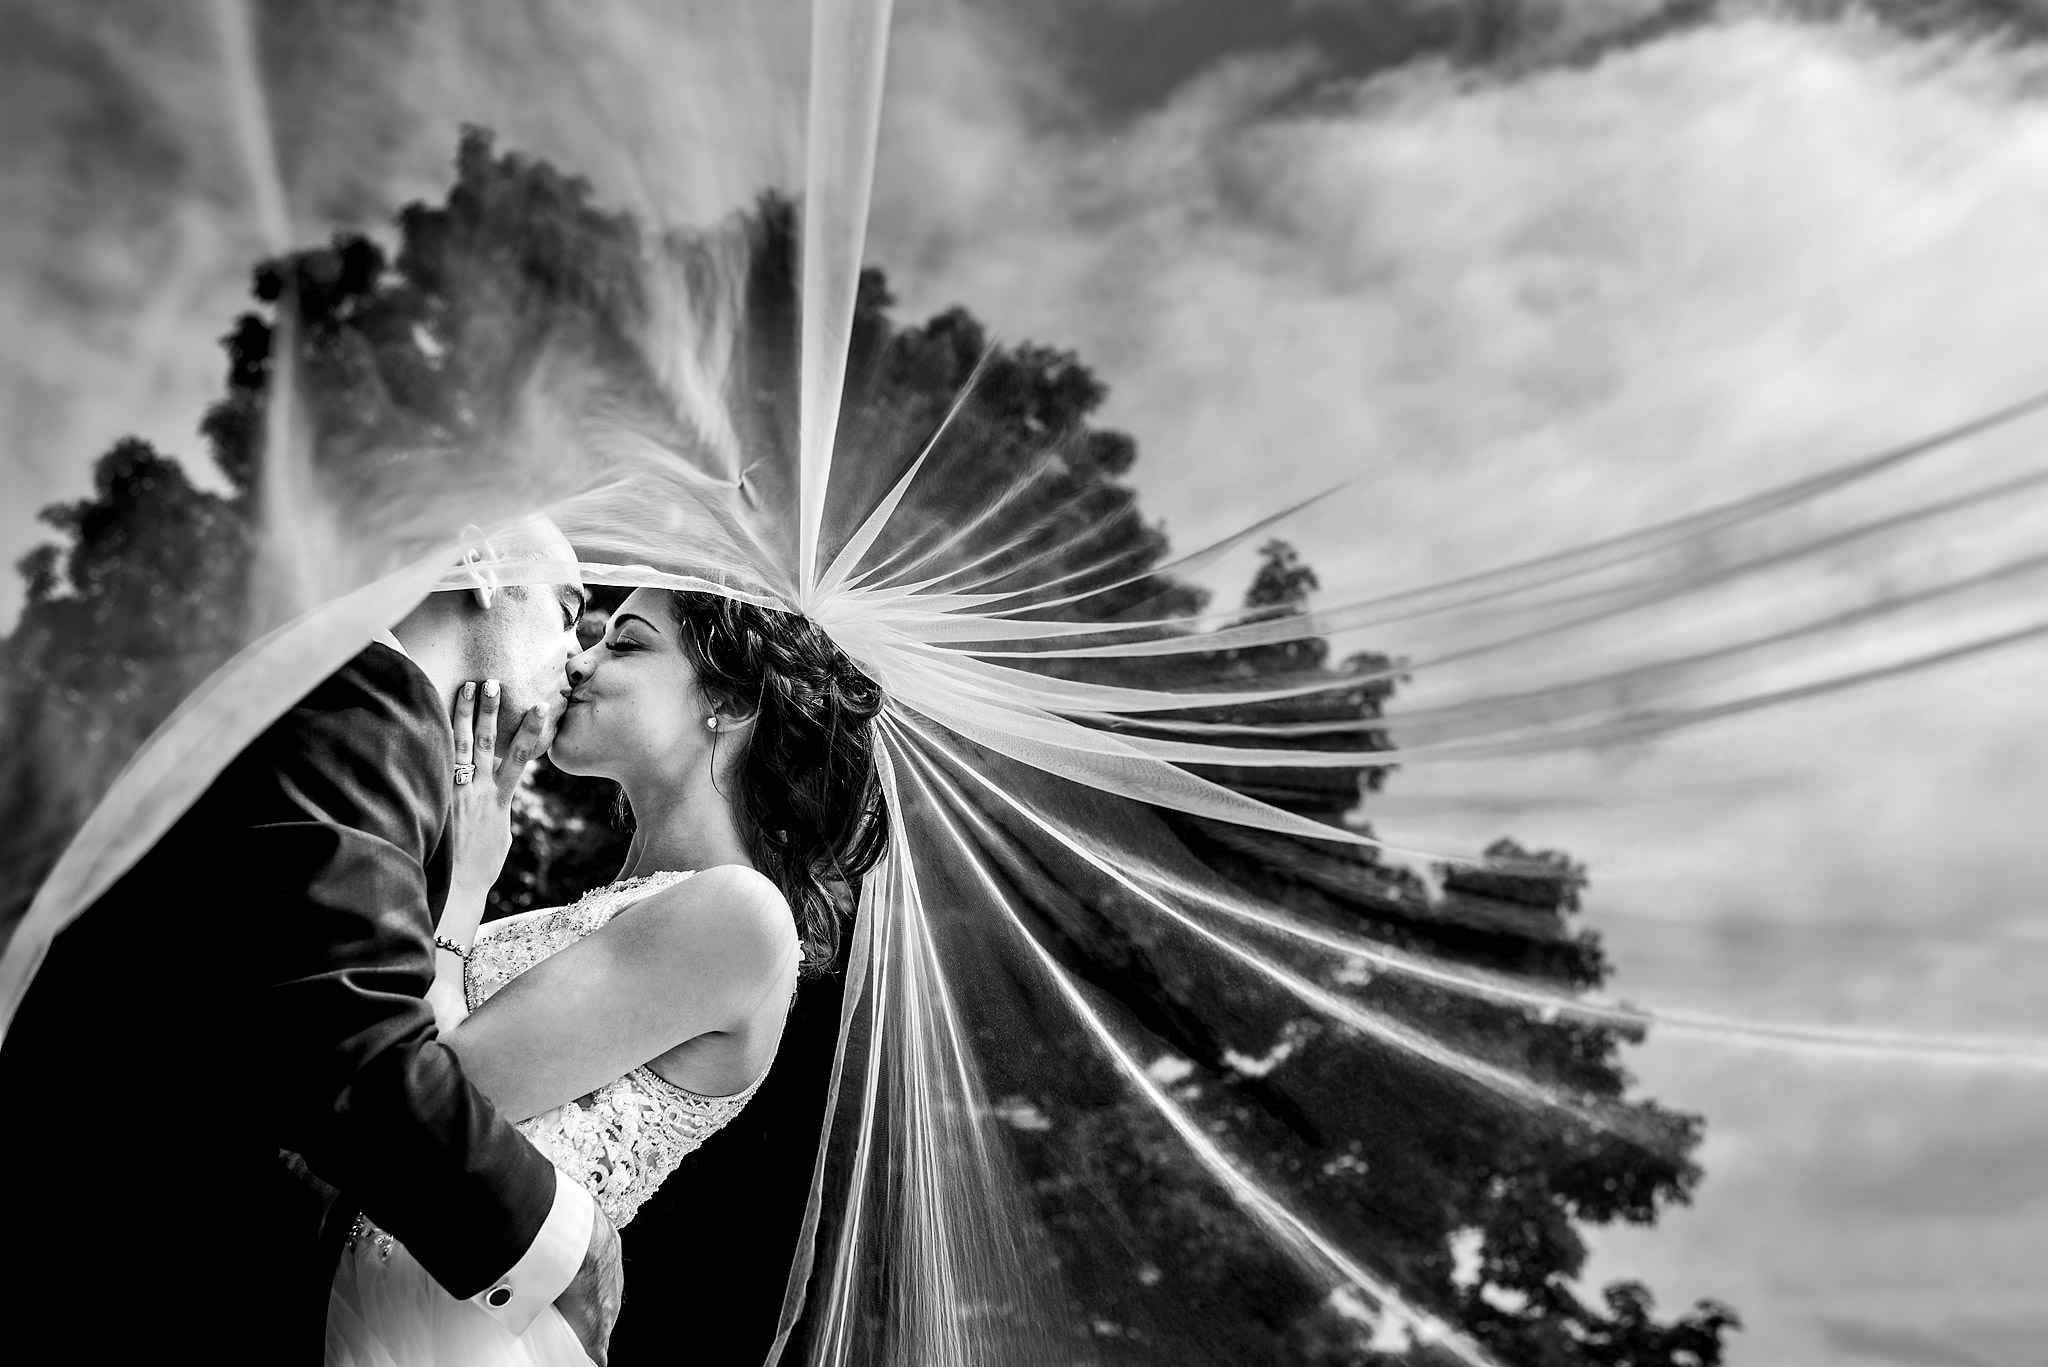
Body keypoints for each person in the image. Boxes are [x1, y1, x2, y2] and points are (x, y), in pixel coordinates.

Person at [0, 517, 621, 1365]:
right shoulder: (364, 699)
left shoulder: (338, 695)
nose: (575, 655)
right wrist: (559, 1237)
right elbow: (349, 1048)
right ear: (480, 561)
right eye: (568, 607)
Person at [325, 586, 889, 1365]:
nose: (580, 659)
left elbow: (434, 1091)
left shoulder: (741, 916)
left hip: (448, 1330)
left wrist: (463, 890)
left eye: (627, 643)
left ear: (726, 701)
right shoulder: (616, 908)